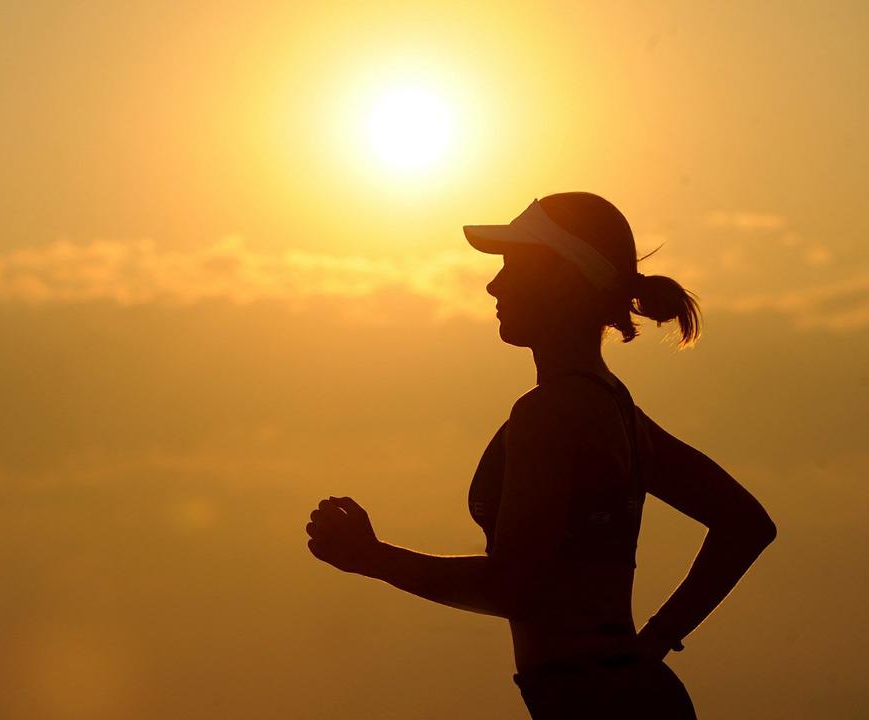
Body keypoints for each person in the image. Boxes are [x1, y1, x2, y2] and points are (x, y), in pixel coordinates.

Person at [304, 192, 778, 719]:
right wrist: (654, 641)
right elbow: (745, 524)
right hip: (624, 693)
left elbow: (516, 587)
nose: (494, 285)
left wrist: (373, 558)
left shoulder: (551, 411)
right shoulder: (614, 407)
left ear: (561, 277)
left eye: (513, 266)